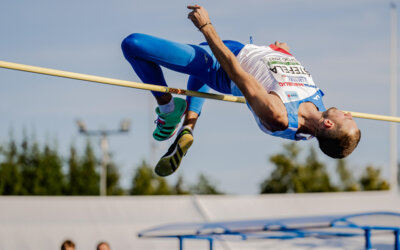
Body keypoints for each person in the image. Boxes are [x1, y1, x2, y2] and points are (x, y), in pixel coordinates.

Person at [121, 5, 361, 177]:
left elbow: (236, 71)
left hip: (221, 65)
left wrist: (206, 26)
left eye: (348, 119)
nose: (349, 114)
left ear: (328, 125)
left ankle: (168, 107)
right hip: (244, 49)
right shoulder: (319, 104)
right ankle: (188, 126)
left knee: (134, 44)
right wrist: (282, 53)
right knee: (201, 64)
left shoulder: (278, 116)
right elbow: (283, 76)